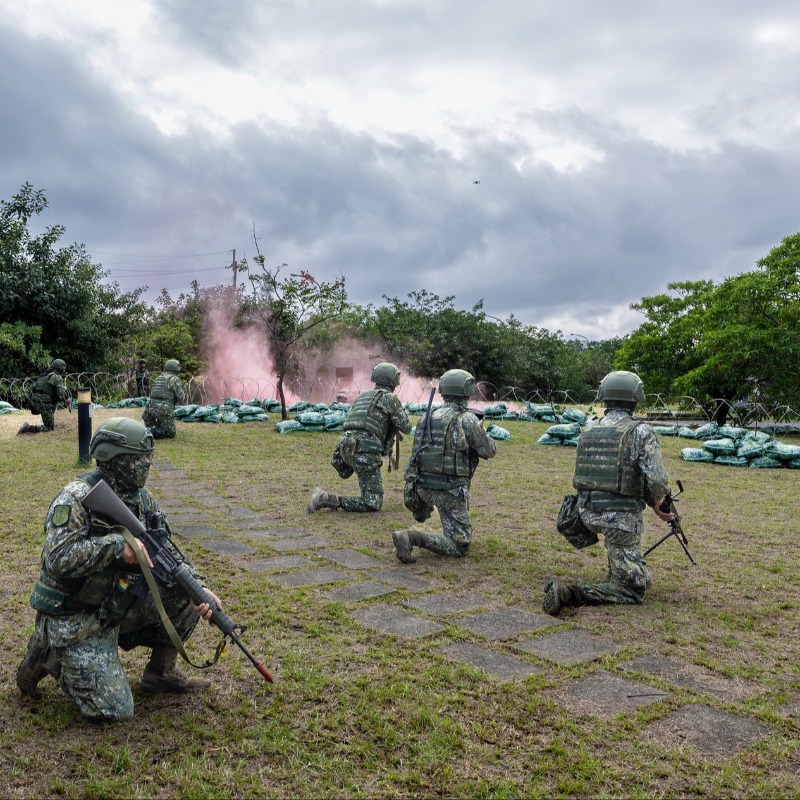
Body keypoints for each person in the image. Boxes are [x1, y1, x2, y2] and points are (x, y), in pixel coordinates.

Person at [16, 416, 221, 722]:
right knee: (114, 710)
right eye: (140, 458)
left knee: (184, 596)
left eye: (149, 457)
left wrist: (198, 587)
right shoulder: (75, 498)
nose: (147, 464)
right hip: (77, 615)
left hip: (118, 603)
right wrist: (116, 548)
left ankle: (161, 674)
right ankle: (47, 652)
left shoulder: (143, 500)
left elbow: (166, 550)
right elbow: (56, 559)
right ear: (114, 459)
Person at [543, 370, 674, 616]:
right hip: (620, 518)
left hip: (585, 513)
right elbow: (656, 479)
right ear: (636, 398)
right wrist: (660, 503)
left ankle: (620, 567)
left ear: (604, 396)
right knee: (634, 588)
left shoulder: (590, 427)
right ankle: (569, 593)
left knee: (626, 562)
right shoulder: (640, 431)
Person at [393, 369, 496, 563]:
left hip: (421, 487)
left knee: (449, 516)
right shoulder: (467, 419)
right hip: (448, 489)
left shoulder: (428, 414)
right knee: (459, 544)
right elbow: (489, 450)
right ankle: (411, 537)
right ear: (466, 390)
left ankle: (424, 525)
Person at [307, 362, 411, 513]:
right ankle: (326, 499)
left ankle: (335, 490)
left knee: (356, 472)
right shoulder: (390, 398)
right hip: (365, 450)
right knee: (372, 502)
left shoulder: (363, 396)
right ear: (394, 381)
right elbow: (406, 427)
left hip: (343, 448)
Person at [18, 358, 70, 434]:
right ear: (61, 369)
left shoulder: (43, 377)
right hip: (44, 404)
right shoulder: (57, 377)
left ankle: (48, 419)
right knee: (49, 428)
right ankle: (28, 428)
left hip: (34, 403)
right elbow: (60, 394)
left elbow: (31, 389)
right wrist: (66, 396)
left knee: (53, 398)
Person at [142, 359, 186, 439]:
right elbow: (181, 397)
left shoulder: (159, 378)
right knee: (170, 433)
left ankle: (149, 429)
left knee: (162, 424)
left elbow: (152, 394)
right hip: (164, 409)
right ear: (176, 368)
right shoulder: (174, 379)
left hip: (150, 409)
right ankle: (148, 431)